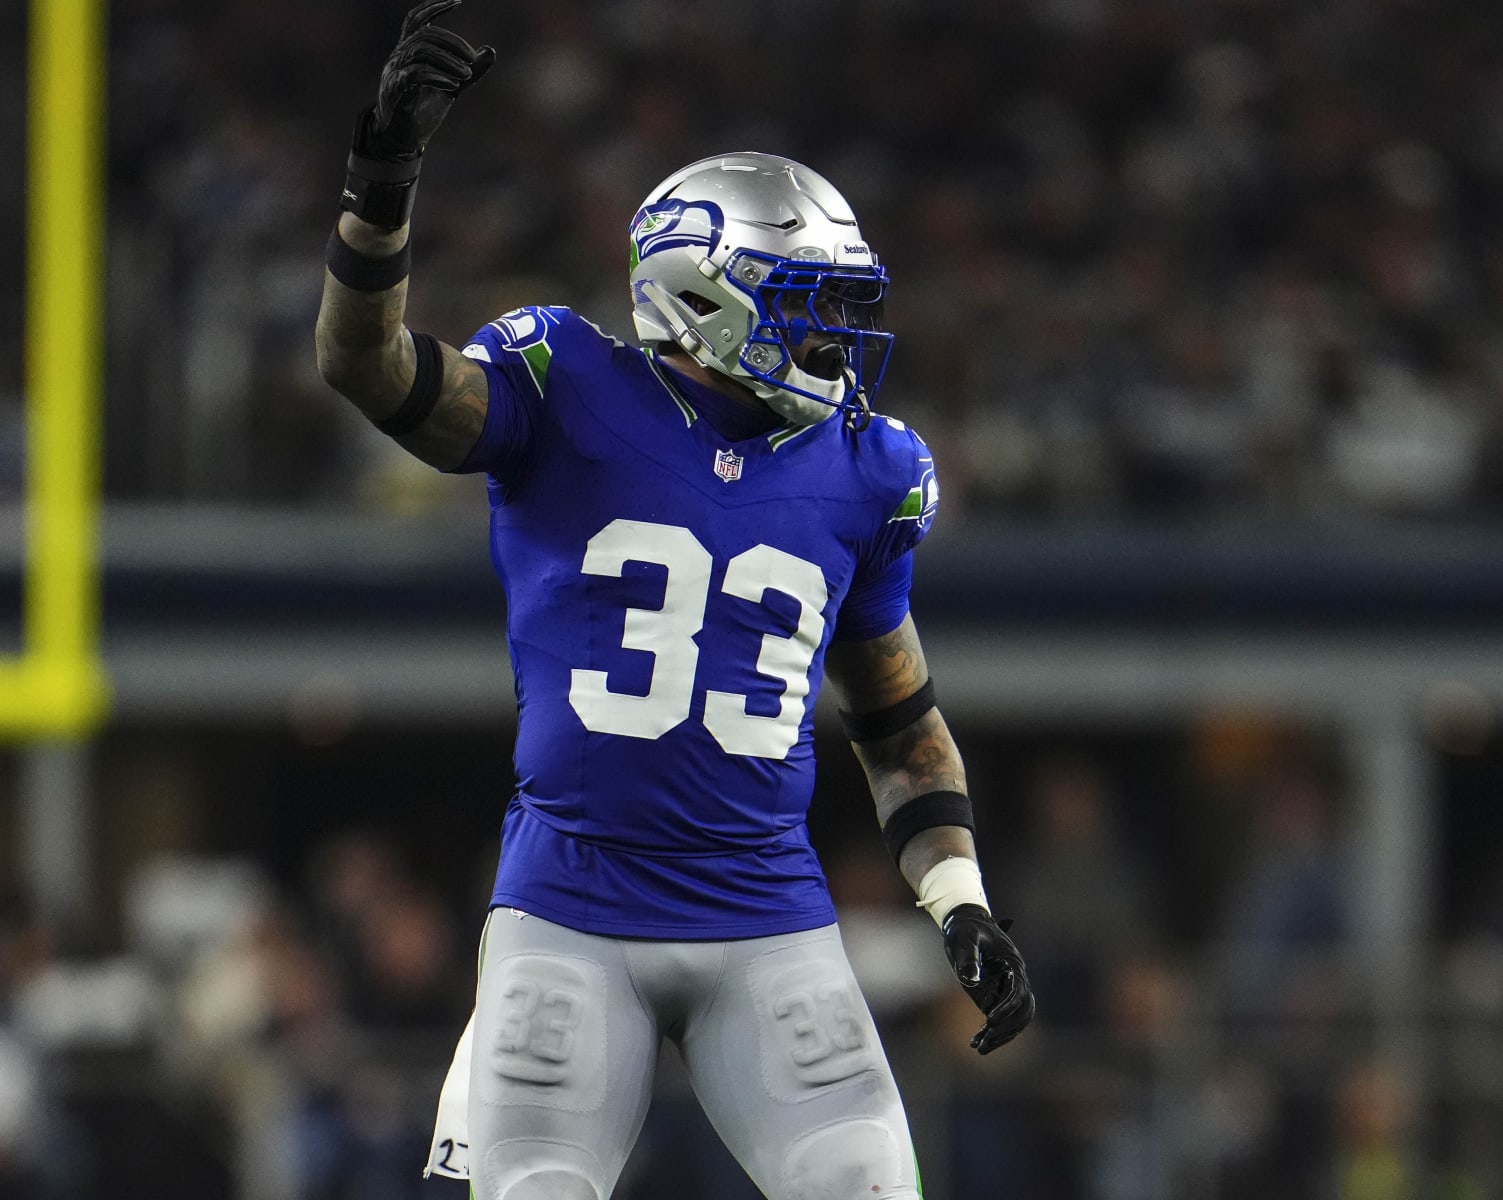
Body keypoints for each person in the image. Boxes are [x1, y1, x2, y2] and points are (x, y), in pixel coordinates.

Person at [312, 4, 1036, 1198]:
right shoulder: (564, 385)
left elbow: (901, 724)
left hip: (769, 919)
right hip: (571, 909)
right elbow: (366, 364)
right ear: (707, 295)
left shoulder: (870, 470)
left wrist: (957, 900)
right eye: (812, 302)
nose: (843, 339)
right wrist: (381, 181)